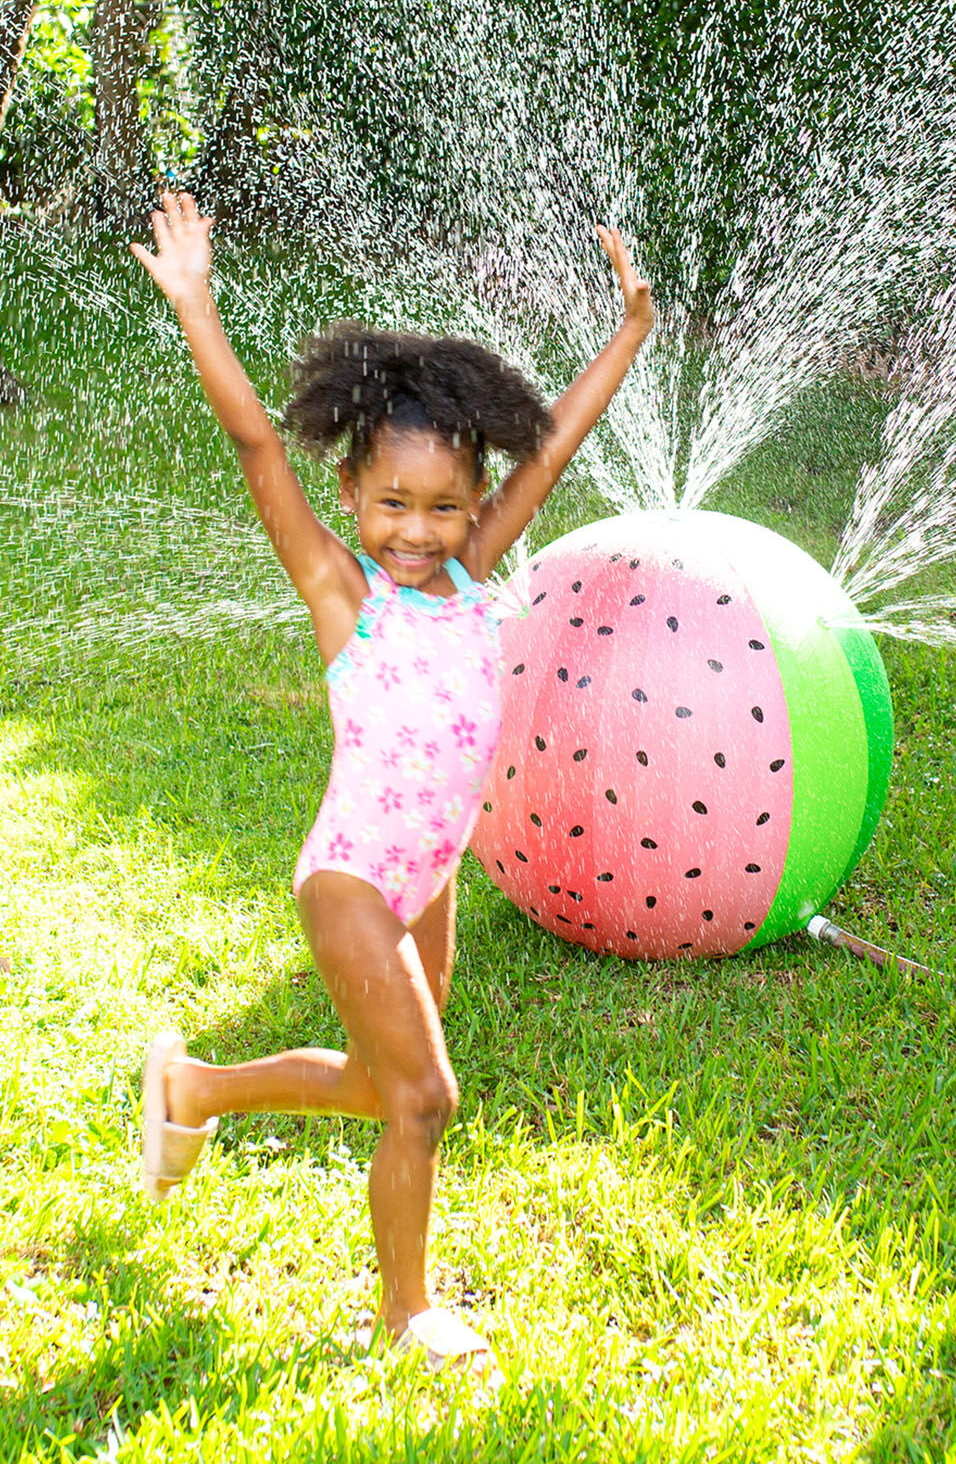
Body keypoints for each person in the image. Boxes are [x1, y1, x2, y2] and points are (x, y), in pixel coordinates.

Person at [131, 192, 654, 1371]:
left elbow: (555, 443)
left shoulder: (474, 570)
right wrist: (195, 302)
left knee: (381, 1086)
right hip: (357, 875)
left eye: (442, 507)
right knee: (427, 1096)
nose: (414, 531)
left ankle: (197, 1088)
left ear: (476, 503)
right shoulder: (343, 591)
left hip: (432, 880)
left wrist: (628, 332)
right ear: (356, 498)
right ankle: (407, 1310)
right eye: (389, 505)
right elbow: (261, 445)